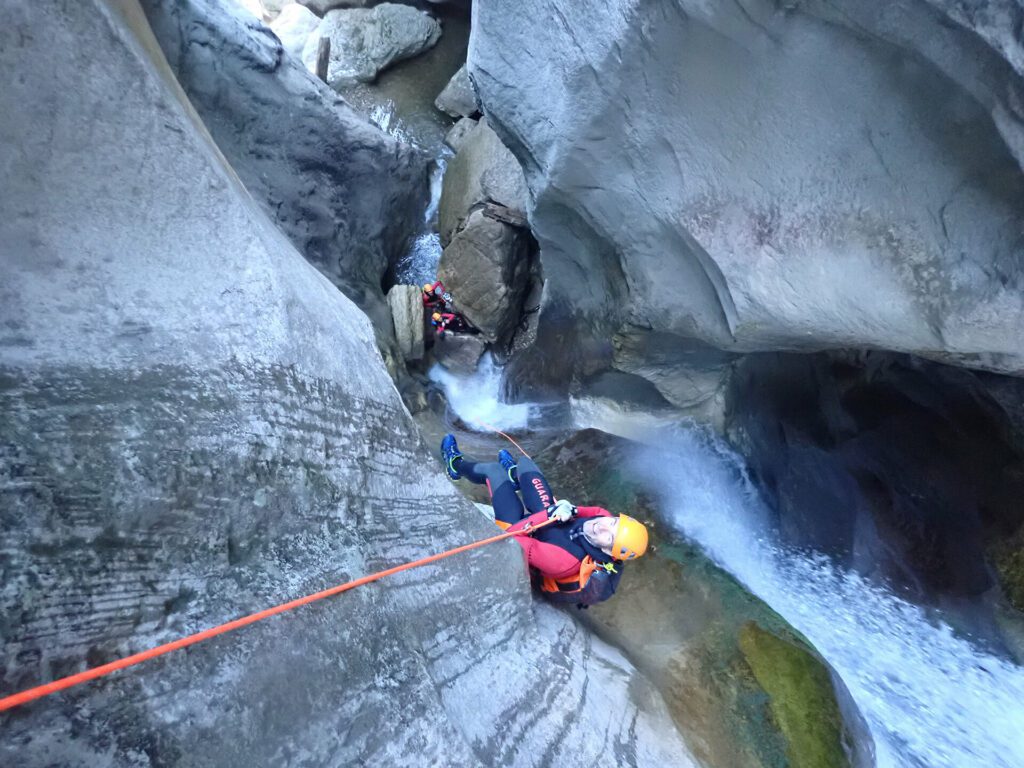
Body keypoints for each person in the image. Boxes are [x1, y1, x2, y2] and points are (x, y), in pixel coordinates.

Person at [440, 434, 649, 607]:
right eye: (613, 523)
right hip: (549, 521)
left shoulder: (563, 561)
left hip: (522, 530)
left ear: (606, 552)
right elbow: (592, 511)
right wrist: (570, 509)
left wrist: (548, 515)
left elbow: (510, 537)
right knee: (525, 464)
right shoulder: (602, 517)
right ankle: (515, 477)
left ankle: (455, 466)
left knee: (493, 471)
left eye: (608, 537)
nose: (602, 526)